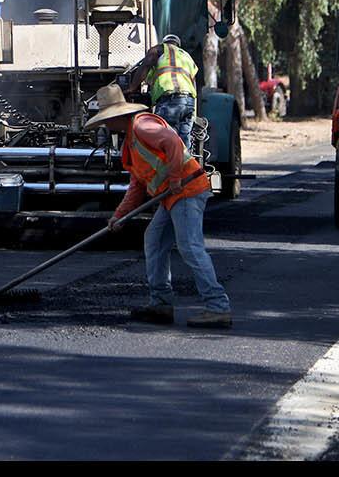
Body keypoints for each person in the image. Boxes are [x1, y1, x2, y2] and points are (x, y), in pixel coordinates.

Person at [85, 83, 232, 328]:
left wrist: (174, 177)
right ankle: (160, 303)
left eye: (106, 120)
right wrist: (120, 216)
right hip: (171, 197)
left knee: (190, 248)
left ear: (116, 117)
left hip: (186, 190)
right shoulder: (131, 143)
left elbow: (173, 142)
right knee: (154, 240)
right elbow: (137, 186)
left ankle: (218, 307)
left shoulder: (143, 126)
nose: (105, 125)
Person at [128, 33, 199, 148]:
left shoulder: (159, 49)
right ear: (178, 45)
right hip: (189, 103)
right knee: (184, 144)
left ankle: (167, 165)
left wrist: (132, 87)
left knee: (164, 141)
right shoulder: (187, 57)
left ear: (164, 43)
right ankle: (185, 164)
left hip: (170, 100)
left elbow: (146, 66)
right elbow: (193, 84)